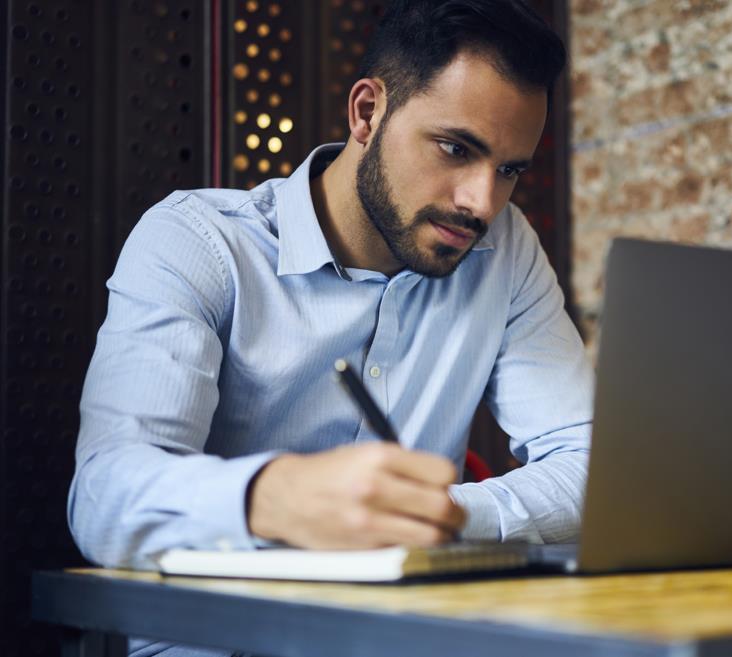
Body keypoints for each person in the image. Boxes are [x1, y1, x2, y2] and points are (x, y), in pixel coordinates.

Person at [69, 0, 593, 588]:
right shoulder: (199, 242)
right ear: (367, 113)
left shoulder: (504, 248)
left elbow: (591, 465)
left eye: (509, 171)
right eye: (455, 149)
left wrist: (441, 516)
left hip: (408, 631)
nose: (482, 202)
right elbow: (103, 498)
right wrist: (273, 498)